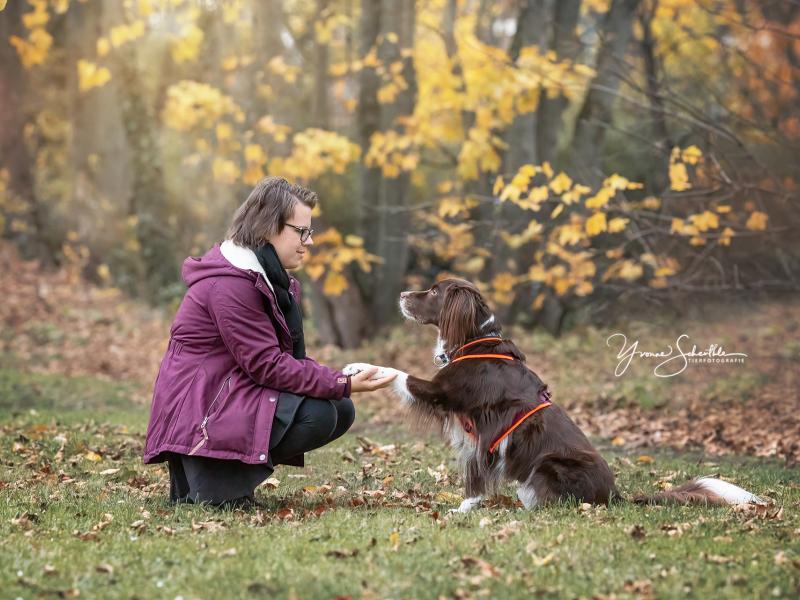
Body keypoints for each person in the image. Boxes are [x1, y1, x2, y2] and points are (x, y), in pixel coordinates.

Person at [143, 176, 396, 507]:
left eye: (310, 231)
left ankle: (225, 480)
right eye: (301, 231)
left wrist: (340, 381)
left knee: (339, 408)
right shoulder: (230, 285)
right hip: (201, 411)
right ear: (267, 227)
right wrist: (341, 383)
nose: (308, 241)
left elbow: (288, 359)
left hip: (231, 392)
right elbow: (267, 365)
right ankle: (214, 484)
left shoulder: (272, 281)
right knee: (322, 412)